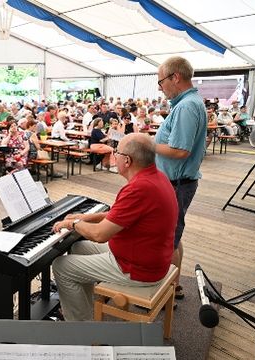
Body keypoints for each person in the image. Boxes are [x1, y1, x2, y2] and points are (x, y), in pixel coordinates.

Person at [51, 133, 177, 321]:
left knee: (61, 266)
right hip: (147, 256)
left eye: (116, 151)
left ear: (127, 160)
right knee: (77, 247)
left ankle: (81, 329)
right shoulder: (156, 177)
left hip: (138, 268)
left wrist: (73, 223)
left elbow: (100, 234)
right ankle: (86, 310)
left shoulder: (139, 188)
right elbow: (119, 216)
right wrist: (84, 217)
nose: (113, 155)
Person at [154, 56, 207, 300]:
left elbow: (180, 150)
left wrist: (147, 145)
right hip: (179, 182)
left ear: (175, 77)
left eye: (161, 81)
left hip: (177, 183)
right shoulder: (189, 102)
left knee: (168, 239)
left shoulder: (186, 106)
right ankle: (173, 286)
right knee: (174, 236)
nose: (160, 87)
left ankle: (165, 293)